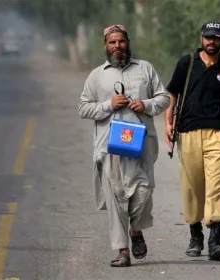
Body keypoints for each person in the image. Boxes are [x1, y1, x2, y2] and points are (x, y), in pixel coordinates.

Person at [78, 24, 170, 267]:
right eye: (112, 42)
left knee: (144, 191)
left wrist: (146, 104)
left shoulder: (145, 68)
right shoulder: (97, 75)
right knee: (116, 196)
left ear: (128, 42)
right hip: (110, 147)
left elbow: (164, 98)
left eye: (121, 41)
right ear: (105, 46)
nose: (117, 46)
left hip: (141, 145)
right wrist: (109, 104)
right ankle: (122, 251)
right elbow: (83, 108)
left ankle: (136, 230)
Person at [164, 21, 220, 261]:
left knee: (217, 186)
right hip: (187, 132)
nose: (211, 41)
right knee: (192, 186)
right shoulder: (187, 63)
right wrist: (168, 122)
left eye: (216, 38)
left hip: (217, 134)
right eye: (207, 37)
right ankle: (196, 235)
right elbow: (172, 93)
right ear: (200, 39)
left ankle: (216, 239)